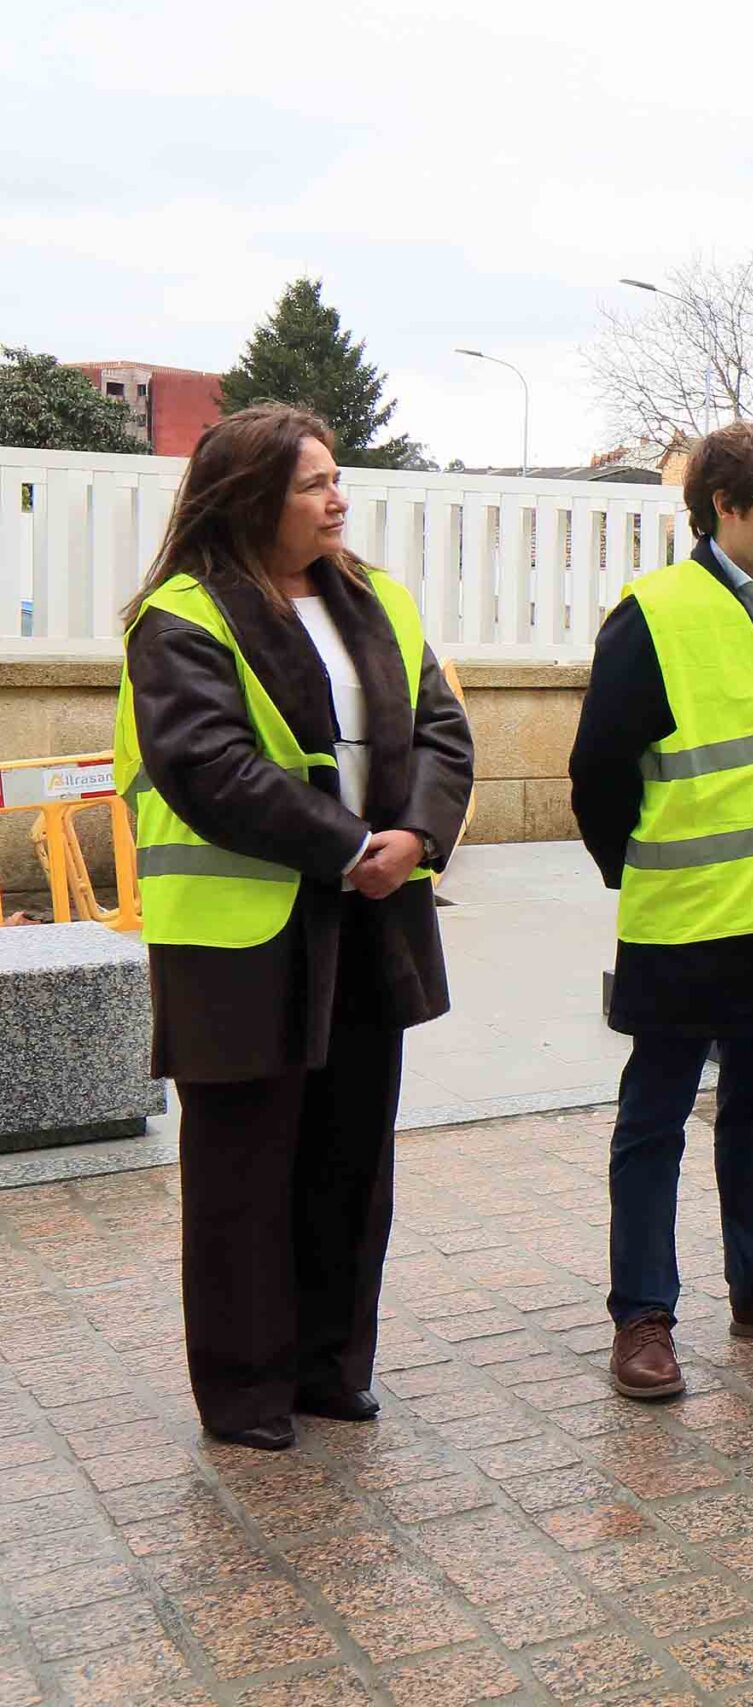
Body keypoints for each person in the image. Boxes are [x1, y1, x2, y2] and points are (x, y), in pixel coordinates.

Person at [115, 405, 474, 1451]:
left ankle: (329, 1367)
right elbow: (208, 766)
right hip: (239, 937)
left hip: (369, 919)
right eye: (313, 484)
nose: (337, 499)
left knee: (350, 1157)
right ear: (251, 498)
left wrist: (418, 835)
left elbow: (444, 730)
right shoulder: (181, 616)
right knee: (243, 1170)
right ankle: (244, 1390)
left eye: (336, 478)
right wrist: (349, 847)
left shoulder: (379, 599)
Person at [570, 422, 753, 1401]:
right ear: (725, 508)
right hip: (687, 911)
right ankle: (643, 1317)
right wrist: (636, 868)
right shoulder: (653, 614)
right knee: (654, 1117)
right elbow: (598, 772)